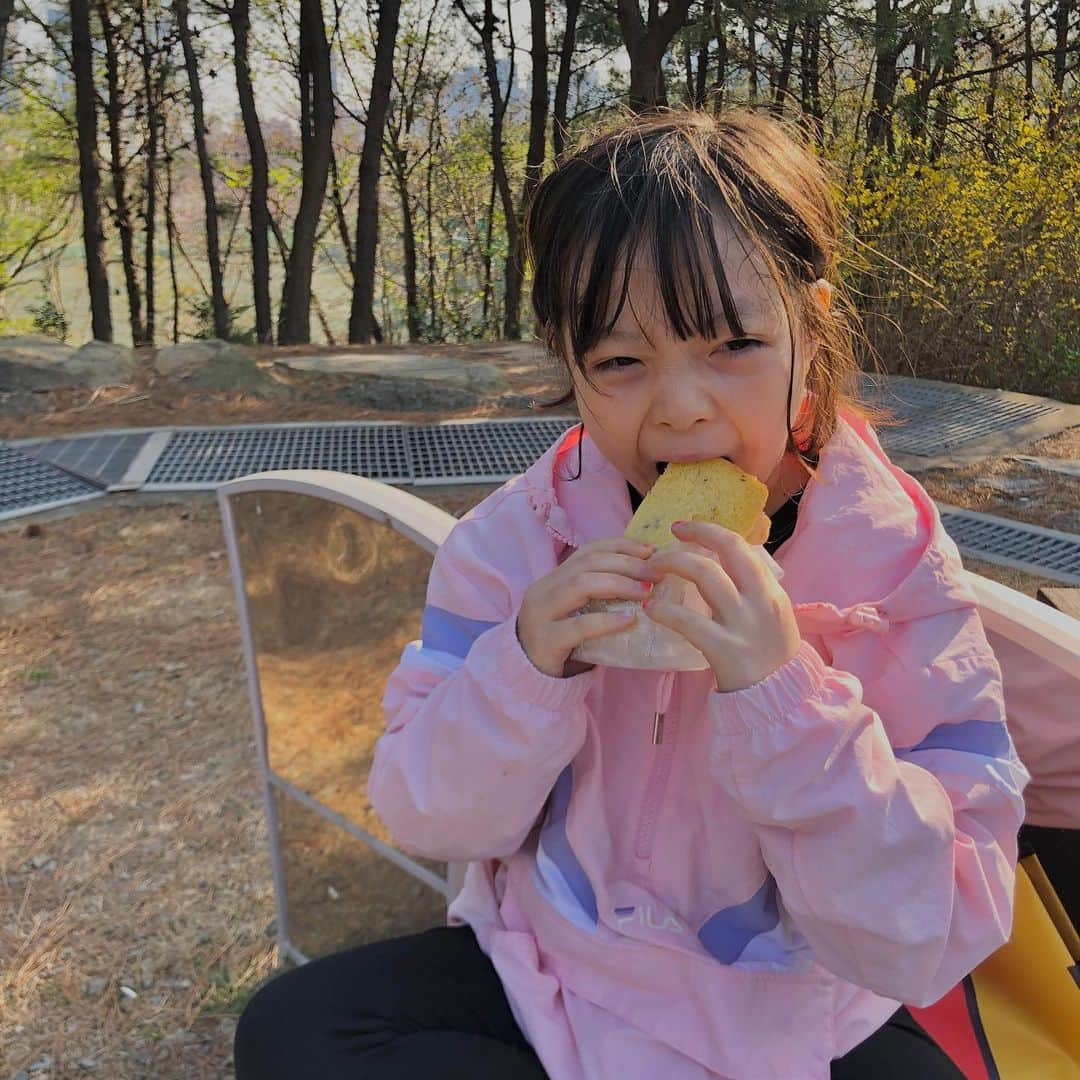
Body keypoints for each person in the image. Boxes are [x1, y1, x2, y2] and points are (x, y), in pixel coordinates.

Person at [234, 108, 1030, 1079]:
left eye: (732, 344)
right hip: (556, 969)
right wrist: (523, 668)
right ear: (570, 366)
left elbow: (931, 937)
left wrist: (785, 701)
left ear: (810, 329)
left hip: (793, 1009)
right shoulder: (518, 540)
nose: (682, 405)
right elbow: (425, 816)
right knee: (294, 1030)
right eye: (620, 361)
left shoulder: (892, 574)